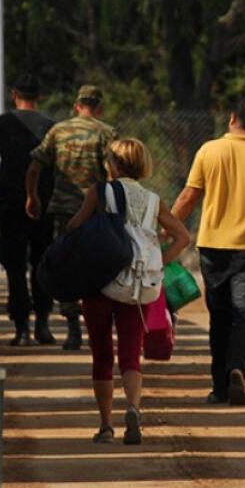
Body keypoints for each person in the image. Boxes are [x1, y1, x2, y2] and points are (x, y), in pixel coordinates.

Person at [64, 139, 190, 444]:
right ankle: (133, 408)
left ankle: (106, 425)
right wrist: (157, 262)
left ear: (114, 164)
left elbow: (73, 228)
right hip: (136, 285)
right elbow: (183, 237)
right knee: (132, 354)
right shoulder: (152, 199)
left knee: (102, 354)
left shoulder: (99, 192)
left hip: (99, 283)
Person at [171, 98, 245, 406]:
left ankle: (219, 387)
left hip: (212, 246)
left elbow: (188, 197)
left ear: (232, 117)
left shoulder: (209, 150)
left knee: (220, 316)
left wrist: (167, 228)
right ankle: (238, 367)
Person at [26, 84, 118, 350]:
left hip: (64, 211)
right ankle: (97, 327)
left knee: (67, 266)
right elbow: (114, 173)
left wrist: (32, 197)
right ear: (98, 107)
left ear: (77, 106)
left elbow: (34, 167)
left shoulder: (58, 130)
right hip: (96, 212)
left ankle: (73, 329)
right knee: (98, 266)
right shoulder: (107, 133)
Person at [0, 74, 57, 346]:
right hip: (43, 202)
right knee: (42, 263)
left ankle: (21, 328)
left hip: (10, 201)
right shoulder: (50, 126)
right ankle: (43, 323)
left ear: (14, 95)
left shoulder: (1, 124)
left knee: (14, 264)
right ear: (39, 96)